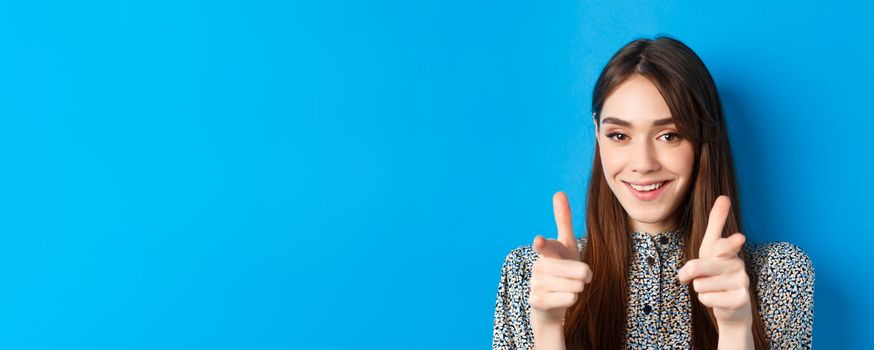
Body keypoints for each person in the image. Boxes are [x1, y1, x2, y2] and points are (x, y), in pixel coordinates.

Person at [491, 36, 814, 350]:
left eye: (669, 135)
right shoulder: (531, 274)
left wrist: (734, 329)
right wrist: (548, 329)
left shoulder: (778, 273)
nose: (643, 164)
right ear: (597, 133)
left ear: (702, 139)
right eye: (619, 135)